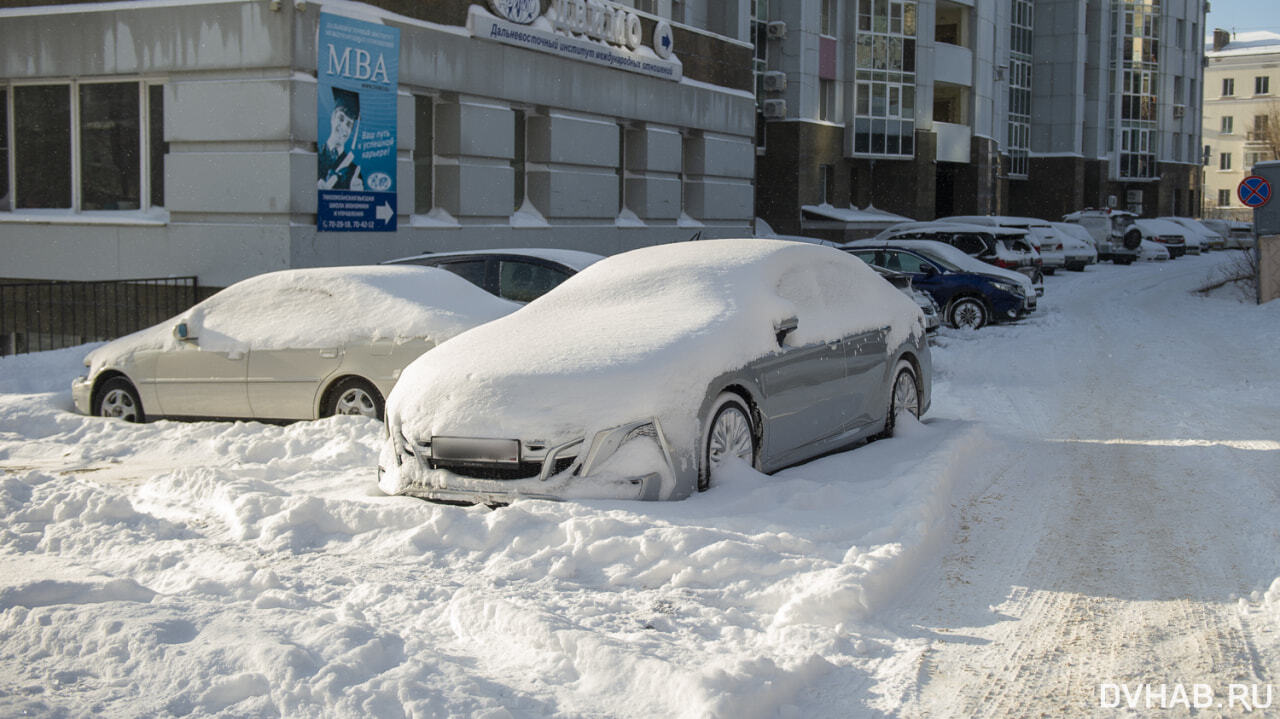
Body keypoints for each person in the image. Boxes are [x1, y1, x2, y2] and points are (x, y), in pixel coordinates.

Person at [318, 88, 364, 191]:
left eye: (349, 124)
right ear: (332, 118)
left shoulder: (354, 172)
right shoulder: (314, 157)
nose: (343, 127)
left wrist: (357, 193)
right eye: (341, 118)